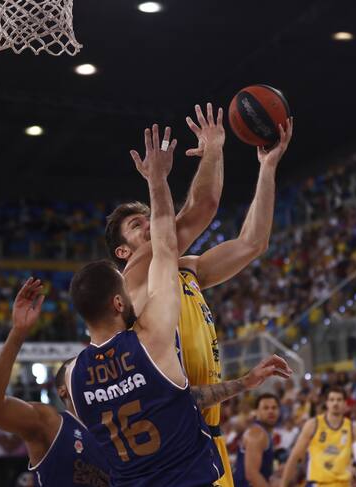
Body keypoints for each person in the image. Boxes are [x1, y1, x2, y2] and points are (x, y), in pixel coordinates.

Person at [67, 125, 292, 487]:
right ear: (123, 251)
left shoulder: (187, 269)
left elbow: (252, 242)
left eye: (149, 219)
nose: (151, 226)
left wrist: (267, 169)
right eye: (137, 225)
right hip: (181, 443)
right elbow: (201, 208)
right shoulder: (133, 278)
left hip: (211, 434)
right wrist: (212, 153)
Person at [0, 278, 111, 487]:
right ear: (63, 390)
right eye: (81, 372)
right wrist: (18, 333)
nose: (91, 374)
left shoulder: (115, 431)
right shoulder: (51, 422)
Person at [280, 387, 356, 487]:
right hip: (318, 483)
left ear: (345, 404)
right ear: (327, 403)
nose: (335, 403)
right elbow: (294, 457)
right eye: (332, 399)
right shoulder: (313, 425)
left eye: (339, 400)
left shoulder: (352, 429)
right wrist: (283, 484)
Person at [233, 393, 279, 487]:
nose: (271, 411)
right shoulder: (257, 434)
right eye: (265, 408)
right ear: (257, 412)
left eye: (274, 408)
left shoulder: (263, 432)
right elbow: (252, 475)